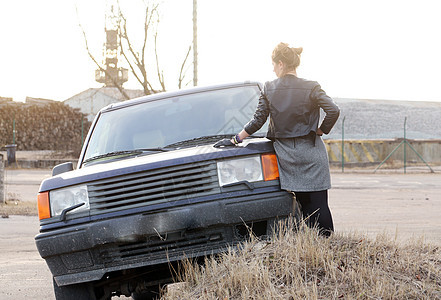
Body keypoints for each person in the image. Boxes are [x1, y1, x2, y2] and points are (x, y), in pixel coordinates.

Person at [214, 42, 340, 237]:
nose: (272, 69)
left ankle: (305, 244)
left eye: (273, 64)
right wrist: (322, 130)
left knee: (300, 205)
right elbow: (333, 110)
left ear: (280, 63)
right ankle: (327, 244)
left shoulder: (269, 88)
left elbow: (258, 120)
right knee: (320, 204)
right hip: (312, 152)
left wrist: (236, 139)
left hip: (287, 155)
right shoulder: (311, 86)